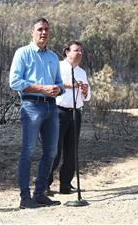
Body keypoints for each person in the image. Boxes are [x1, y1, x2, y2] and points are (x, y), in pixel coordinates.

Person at [9, 17, 65, 209]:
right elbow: (15, 82)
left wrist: (59, 89)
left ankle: (40, 193)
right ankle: (25, 198)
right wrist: (41, 88)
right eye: (40, 29)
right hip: (31, 106)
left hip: (51, 106)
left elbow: (59, 82)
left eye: (46, 29)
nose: (43, 33)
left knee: (51, 151)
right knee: (28, 151)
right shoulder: (22, 53)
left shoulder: (53, 57)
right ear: (32, 32)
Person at [47, 40, 91, 195]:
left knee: (71, 151)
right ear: (67, 52)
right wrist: (68, 85)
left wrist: (85, 90)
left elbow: (87, 97)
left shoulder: (82, 72)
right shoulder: (58, 67)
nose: (79, 53)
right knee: (55, 150)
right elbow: (50, 83)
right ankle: (45, 185)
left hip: (75, 112)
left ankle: (65, 184)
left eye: (81, 51)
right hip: (58, 112)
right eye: (76, 50)